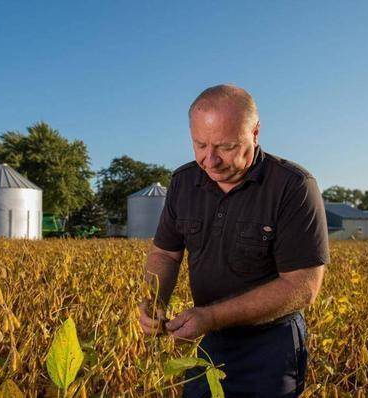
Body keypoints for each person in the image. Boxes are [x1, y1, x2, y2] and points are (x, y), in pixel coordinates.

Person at [138, 84, 329, 397]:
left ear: (254, 133)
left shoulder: (293, 186)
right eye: (200, 145)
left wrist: (211, 316)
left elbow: (302, 287)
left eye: (225, 147)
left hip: (271, 344)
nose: (210, 160)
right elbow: (164, 255)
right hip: (209, 339)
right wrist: (154, 298)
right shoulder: (184, 182)